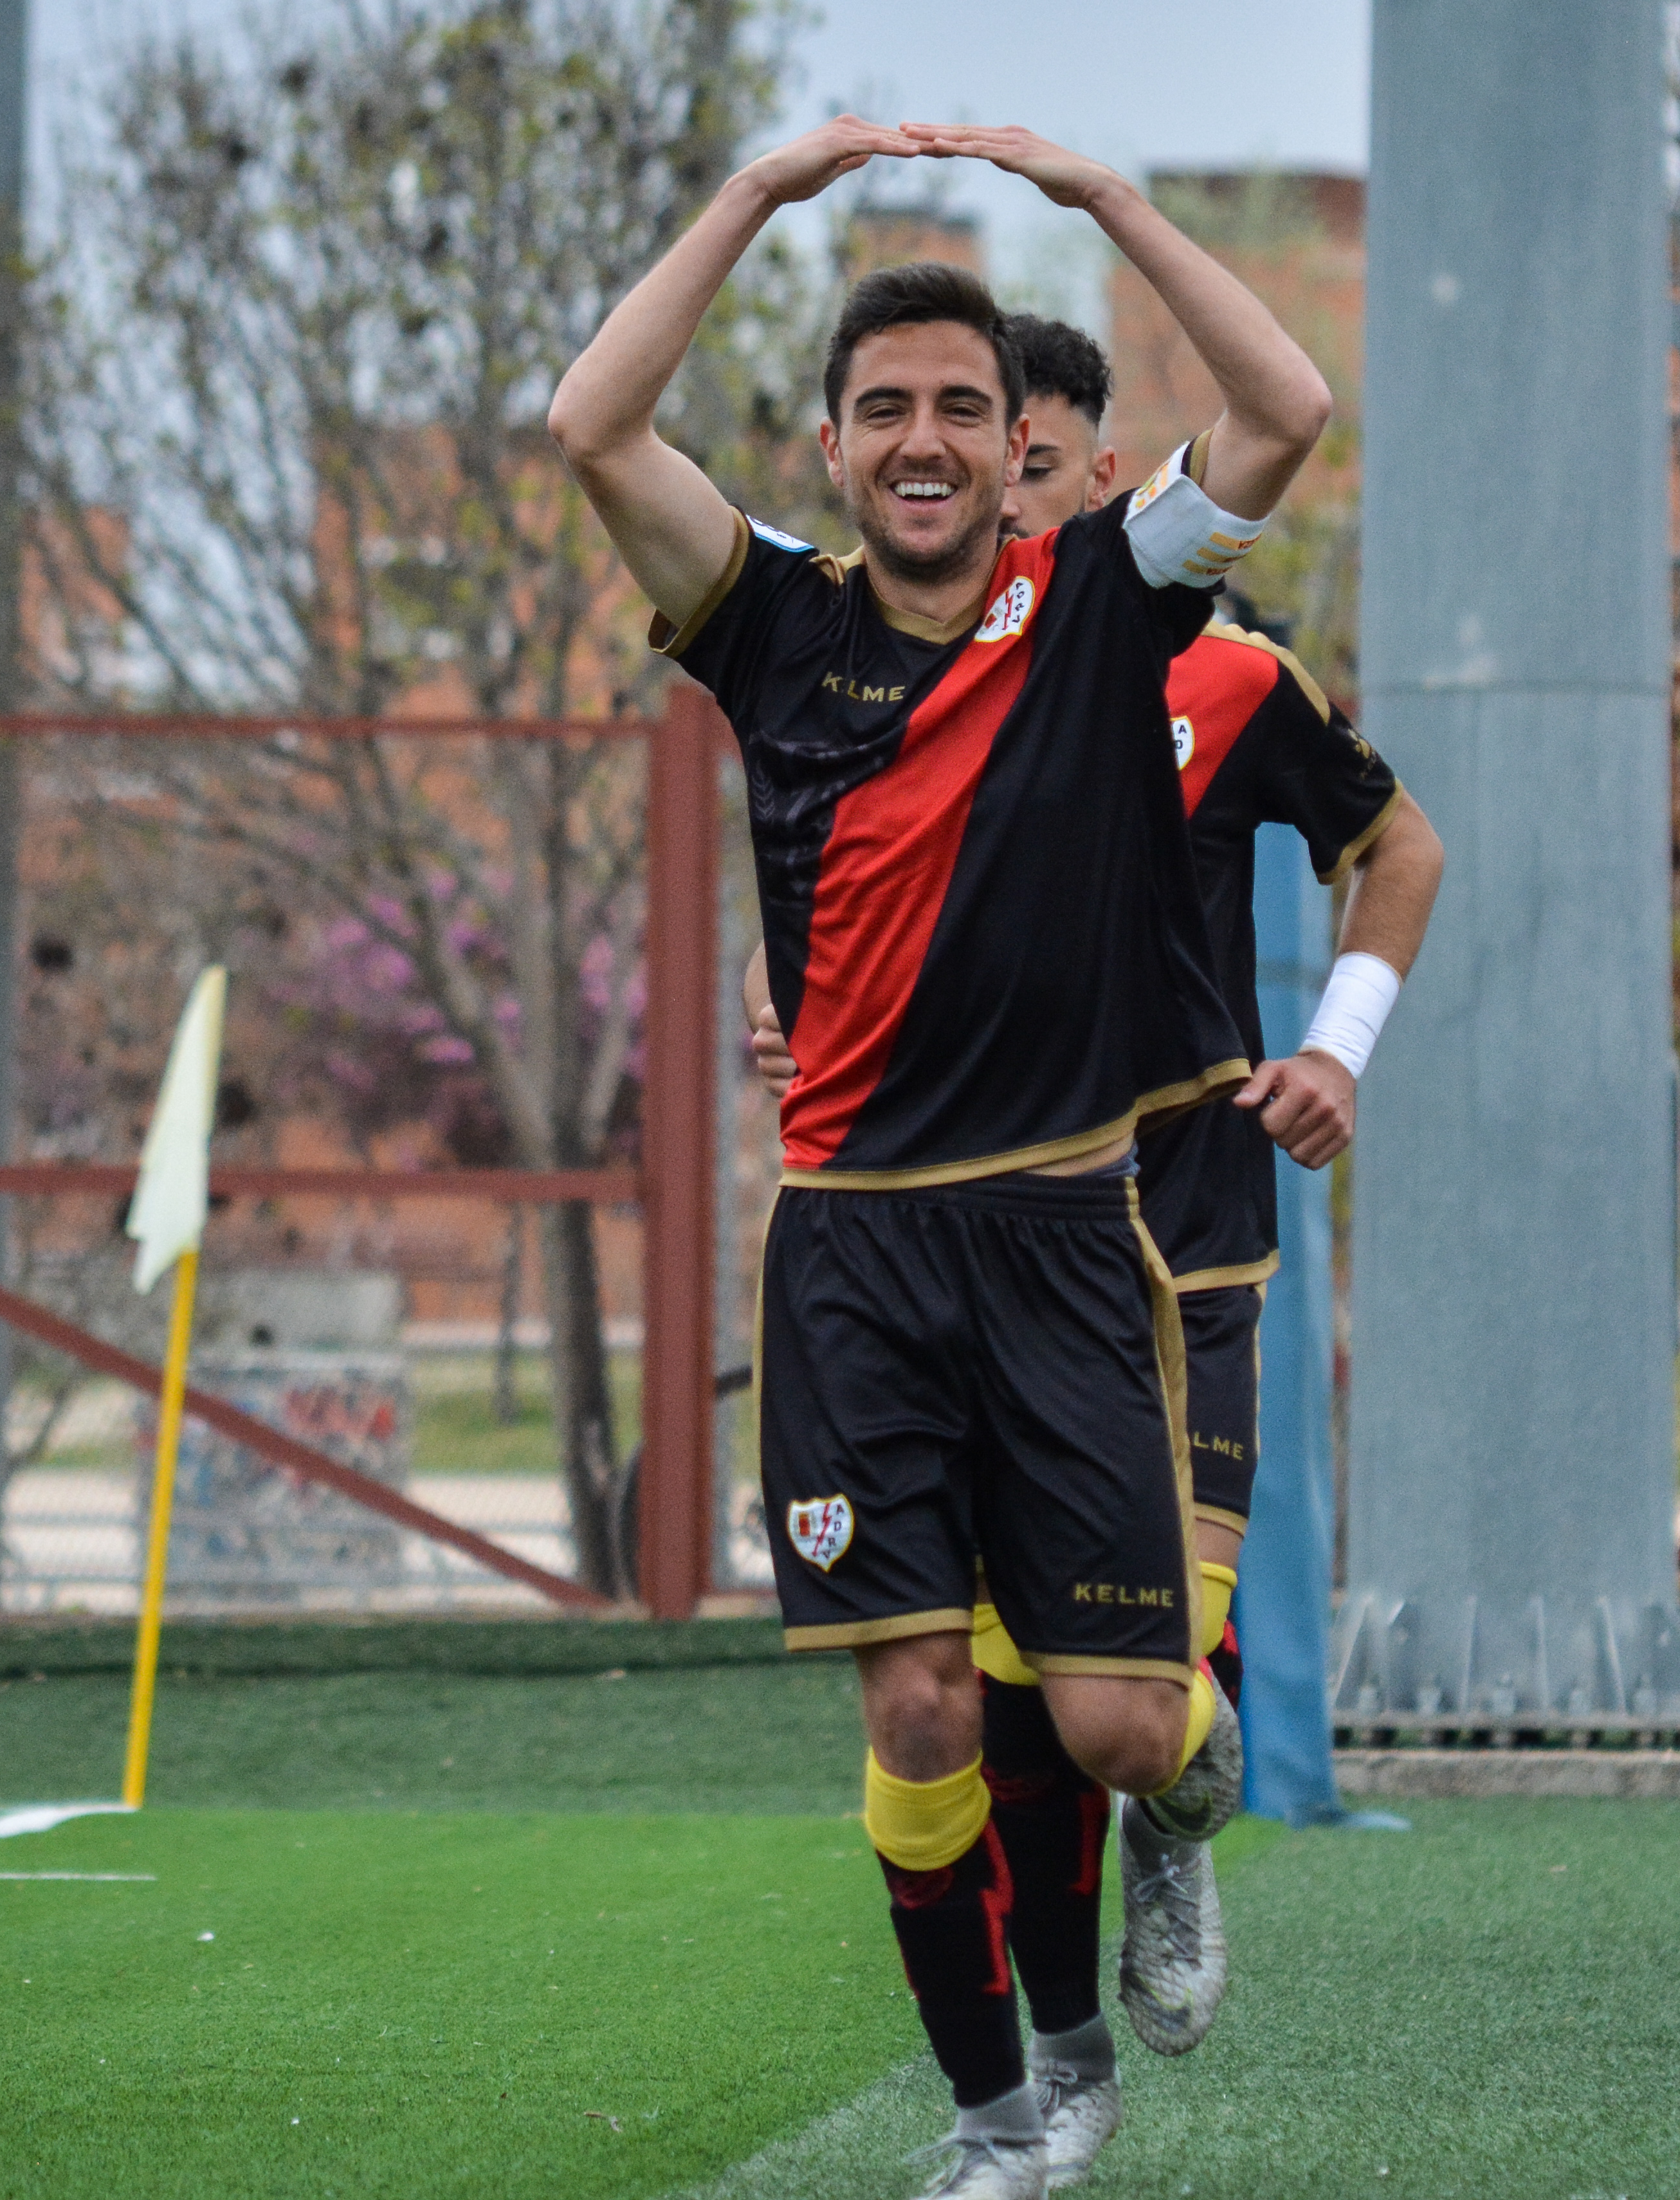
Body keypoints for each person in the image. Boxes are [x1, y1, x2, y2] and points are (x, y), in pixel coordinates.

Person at [549, 116, 1332, 2200]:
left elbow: (1287, 407)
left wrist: (1111, 211)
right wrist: (745, 202)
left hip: (1068, 1249)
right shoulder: (764, 625)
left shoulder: (1098, 602)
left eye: (960, 410)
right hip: (851, 1261)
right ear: (827, 448)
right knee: (913, 1716)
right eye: (883, 407)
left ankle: (1178, 1802)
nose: (922, 436)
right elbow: (589, 419)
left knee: (1104, 1732)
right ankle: (1010, 2109)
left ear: (1015, 450)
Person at [745, 317, 1444, 2122]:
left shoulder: (1216, 680)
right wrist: (795, 1009)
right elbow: (856, 882)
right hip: (952, 1242)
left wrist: (1336, 1051)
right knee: (990, 1690)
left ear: (1094, 483)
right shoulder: (905, 670)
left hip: (1179, 1235)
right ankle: (1045, 2071)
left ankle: (1179, 1817)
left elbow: (1399, 847)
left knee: (1128, 1700)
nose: (1004, 505)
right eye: (986, 466)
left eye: (1037, 468)